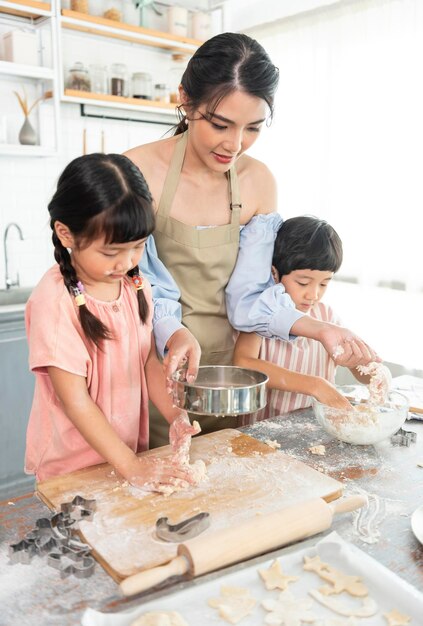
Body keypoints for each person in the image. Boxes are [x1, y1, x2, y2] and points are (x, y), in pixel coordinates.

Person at [125, 32, 378, 446]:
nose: (235, 145)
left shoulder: (258, 183)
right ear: (186, 100)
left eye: (253, 129)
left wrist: (319, 330)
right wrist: (171, 333)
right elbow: (130, 285)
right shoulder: (136, 171)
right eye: (220, 124)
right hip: (147, 367)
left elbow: (249, 299)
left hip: (228, 376)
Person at [24, 153, 196, 486]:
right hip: (72, 471)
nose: (126, 262)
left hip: (125, 457)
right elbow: (74, 400)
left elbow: (146, 360)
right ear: (66, 234)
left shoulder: (136, 285)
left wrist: (176, 415)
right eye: (110, 252)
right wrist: (132, 467)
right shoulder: (56, 301)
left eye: (137, 247)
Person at [233, 216, 371, 418]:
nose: (313, 294)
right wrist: (314, 385)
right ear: (274, 274)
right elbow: (243, 362)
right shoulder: (261, 314)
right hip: (264, 435)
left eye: (324, 284)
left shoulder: (327, 316)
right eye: (303, 283)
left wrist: (365, 367)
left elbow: (362, 374)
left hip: (313, 431)